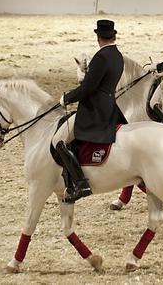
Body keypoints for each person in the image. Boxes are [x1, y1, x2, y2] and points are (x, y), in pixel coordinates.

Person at [57, 19, 127, 203]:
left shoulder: (101, 57)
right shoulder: (117, 55)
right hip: (111, 106)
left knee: (60, 140)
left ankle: (80, 184)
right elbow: (100, 81)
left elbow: (88, 88)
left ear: (98, 38)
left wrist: (67, 97)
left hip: (95, 110)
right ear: (114, 36)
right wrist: (88, 72)